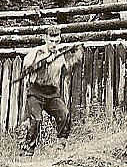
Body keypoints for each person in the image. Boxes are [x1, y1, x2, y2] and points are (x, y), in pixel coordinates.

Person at [19, 26, 85, 155]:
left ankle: (61, 146)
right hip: (35, 91)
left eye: (56, 41)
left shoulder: (60, 55)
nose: (54, 44)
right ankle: (28, 149)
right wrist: (42, 62)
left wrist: (77, 56)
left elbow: (69, 67)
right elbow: (26, 68)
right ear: (45, 39)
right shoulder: (36, 52)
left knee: (64, 114)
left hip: (52, 92)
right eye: (51, 41)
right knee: (36, 119)